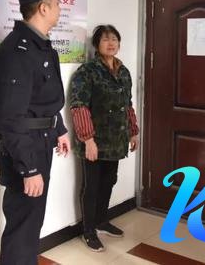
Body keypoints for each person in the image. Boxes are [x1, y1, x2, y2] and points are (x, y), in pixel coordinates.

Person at [0, 0, 71, 265]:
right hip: (26, 149)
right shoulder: (17, 52)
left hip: (40, 142)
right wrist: (29, 168)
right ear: (43, 8)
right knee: (23, 226)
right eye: (57, 3)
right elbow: (9, 118)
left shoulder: (40, 46)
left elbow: (41, 100)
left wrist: (59, 129)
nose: (60, 9)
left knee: (32, 221)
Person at [69, 25, 140, 252]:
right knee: (91, 186)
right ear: (97, 44)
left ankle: (101, 221)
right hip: (94, 141)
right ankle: (88, 230)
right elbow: (79, 106)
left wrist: (133, 131)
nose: (111, 43)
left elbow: (127, 104)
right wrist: (88, 140)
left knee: (109, 181)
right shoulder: (87, 71)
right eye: (105, 39)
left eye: (114, 39)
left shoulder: (123, 71)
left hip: (116, 140)